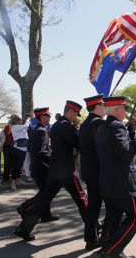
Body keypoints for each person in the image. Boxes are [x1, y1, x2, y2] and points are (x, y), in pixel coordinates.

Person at [14, 100, 87, 242]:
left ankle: (24, 228)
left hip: (55, 170)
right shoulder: (66, 126)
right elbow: (77, 143)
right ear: (70, 111)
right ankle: (92, 225)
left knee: (44, 200)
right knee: (81, 197)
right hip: (65, 169)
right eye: (76, 114)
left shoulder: (57, 125)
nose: (76, 117)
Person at [95, 96, 136, 257]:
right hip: (122, 183)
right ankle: (111, 252)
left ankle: (108, 247)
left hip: (108, 182)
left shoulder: (104, 126)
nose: (125, 112)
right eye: (124, 108)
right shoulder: (116, 127)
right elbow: (126, 153)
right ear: (118, 110)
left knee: (114, 217)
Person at [16, 108, 59, 223]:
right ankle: (24, 208)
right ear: (42, 117)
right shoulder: (41, 131)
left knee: (44, 192)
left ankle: (46, 215)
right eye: (48, 116)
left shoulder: (36, 129)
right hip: (42, 168)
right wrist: (53, 159)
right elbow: (42, 152)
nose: (50, 118)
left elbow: (31, 148)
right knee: (45, 194)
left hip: (38, 167)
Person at [79, 95, 107, 251]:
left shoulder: (85, 124)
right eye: (103, 105)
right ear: (97, 107)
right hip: (99, 171)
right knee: (110, 205)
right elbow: (103, 147)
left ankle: (91, 239)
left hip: (90, 170)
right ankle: (106, 239)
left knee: (93, 207)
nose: (105, 108)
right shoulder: (97, 123)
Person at [10, 114, 31, 191]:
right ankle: (13, 181)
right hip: (17, 148)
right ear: (15, 120)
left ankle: (18, 180)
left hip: (24, 148)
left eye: (20, 119)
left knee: (19, 165)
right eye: (19, 119)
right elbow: (26, 126)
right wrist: (28, 119)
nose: (20, 120)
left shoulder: (19, 127)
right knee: (15, 165)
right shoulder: (14, 127)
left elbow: (26, 130)